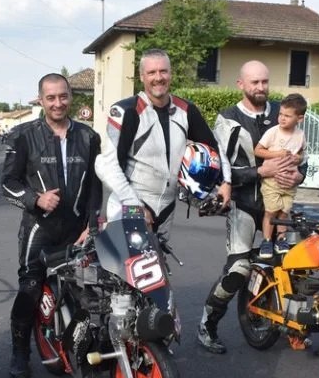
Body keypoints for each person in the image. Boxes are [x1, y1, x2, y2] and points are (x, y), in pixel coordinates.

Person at [197, 60, 305, 354]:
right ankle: (207, 324)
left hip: (279, 203)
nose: (260, 87)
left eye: (264, 81)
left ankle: (291, 325)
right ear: (241, 84)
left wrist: (300, 175)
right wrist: (259, 172)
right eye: (254, 82)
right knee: (238, 269)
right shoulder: (228, 119)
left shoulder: (284, 111)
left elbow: (302, 157)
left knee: (293, 264)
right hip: (244, 203)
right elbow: (219, 169)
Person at [1, 73, 101, 378]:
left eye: (63, 96)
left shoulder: (89, 137)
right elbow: (7, 182)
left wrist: (92, 224)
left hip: (77, 228)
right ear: (41, 100)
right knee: (30, 288)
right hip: (39, 228)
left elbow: (96, 186)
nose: (58, 103)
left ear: (71, 97)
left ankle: (81, 346)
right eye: (51, 98)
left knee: (86, 289)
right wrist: (36, 200)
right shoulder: (23, 135)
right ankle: (20, 351)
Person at [95, 48, 231, 243]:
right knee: (131, 263)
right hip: (130, 205)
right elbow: (107, 166)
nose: (158, 78)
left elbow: (214, 146)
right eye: (151, 72)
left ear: (170, 74)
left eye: (163, 71)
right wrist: (135, 206)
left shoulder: (186, 110)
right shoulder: (126, 111)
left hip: (167, 208)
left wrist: (226, 181)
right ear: (142, 76)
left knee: (161, 262)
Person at [254, 93, 307, 259]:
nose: (282, 118)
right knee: (271, 211)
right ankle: (267, 240)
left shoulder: (300, 135)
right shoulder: (273, 132)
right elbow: (258, 150)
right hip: (272, 180)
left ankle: (281, 239)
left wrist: (298, 158)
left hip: (290, 183)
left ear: (299, 118)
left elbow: (301, 154)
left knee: (284, 212)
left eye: (287, 116)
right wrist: (278, 154)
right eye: (280, 114)